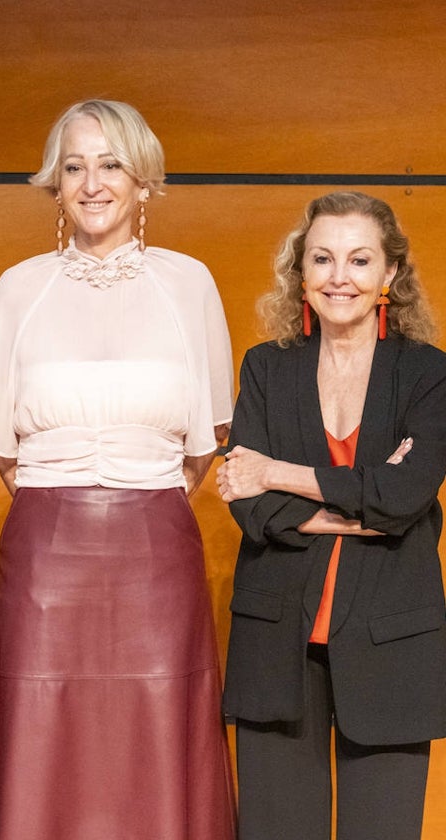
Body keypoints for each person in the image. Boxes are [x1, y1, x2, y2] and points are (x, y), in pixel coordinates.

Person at [0, 99, 237, 839]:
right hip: (46, 550)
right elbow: (4, 454)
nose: (92, 183)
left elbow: (203, 446)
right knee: (44, 737)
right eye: (74, 166)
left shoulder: (191, 284)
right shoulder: (19, 287)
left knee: (156, 737)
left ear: (143, 181)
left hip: (158, 553)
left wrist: (134, 493)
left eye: (110, 164)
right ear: (55, 184)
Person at [217, 191, 446, 840]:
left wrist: (279, 474)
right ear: (301, 271)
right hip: (276, 639)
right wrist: (364, 499)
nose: (339, 276)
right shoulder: (267, 368)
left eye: (359, 259)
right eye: (322, 258)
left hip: (391, 644)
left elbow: (404, 501)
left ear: (389, 276)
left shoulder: (428, 375)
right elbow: (250, 505)